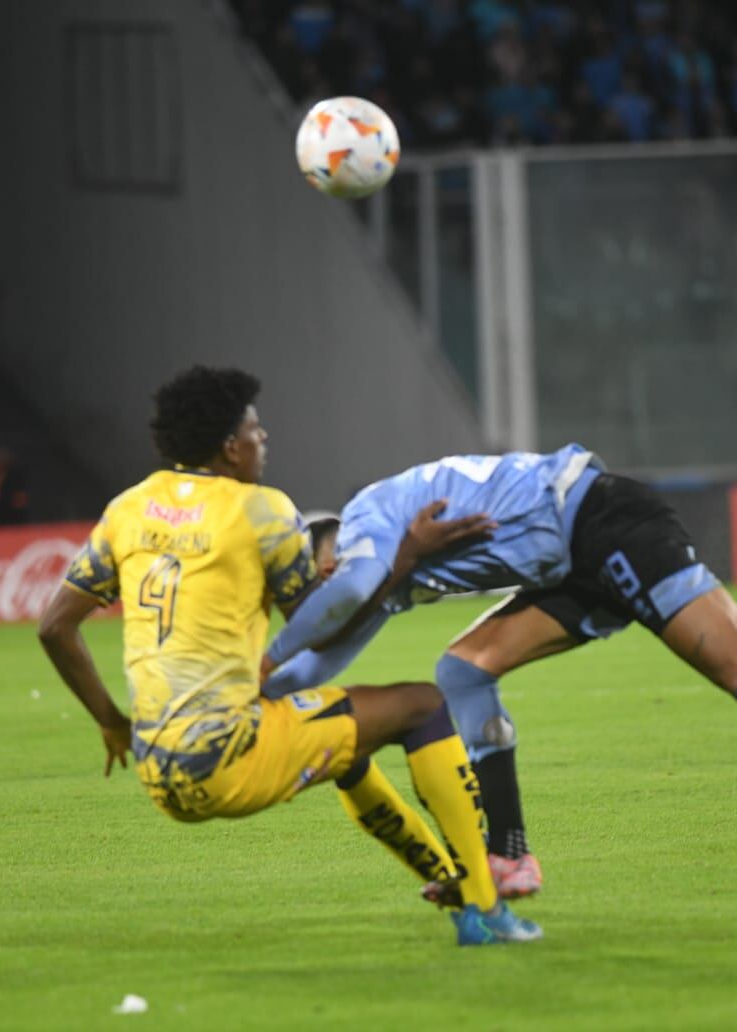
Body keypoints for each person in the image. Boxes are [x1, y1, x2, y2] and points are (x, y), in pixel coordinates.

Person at [262, 447, 737, 901]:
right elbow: (328, 649)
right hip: (575, 561)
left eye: (308, 574)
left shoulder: (363, 527)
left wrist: (263, 659)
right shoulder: (378, 576)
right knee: (463, 670)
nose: (312, 586)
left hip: (602, 520)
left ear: (319, 545)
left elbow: (344, 601)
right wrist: (245, 695)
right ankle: (509, 855)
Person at [35, 366, 541, 945]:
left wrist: (111, 721)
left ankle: (450, 887)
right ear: (230, 447)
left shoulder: (129, 508)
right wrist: (405, 559)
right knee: (424, 706)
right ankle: (485, 907)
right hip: (230, 756)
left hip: (158, 772)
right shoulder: (261, 510)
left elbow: (54, 627)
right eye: (255, 429)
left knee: (344, 739)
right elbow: (323, 626)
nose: (264, 439)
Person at [0, 448, 30, 525]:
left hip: (15, 511)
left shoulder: (16, 474)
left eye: (4, 458)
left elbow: (21, 494)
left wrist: (19, 505)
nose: (2, 460)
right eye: (0, 458)